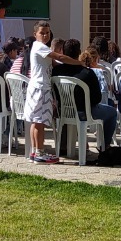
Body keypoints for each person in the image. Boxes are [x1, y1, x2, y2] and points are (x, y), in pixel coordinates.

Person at [23, 21, 80, 164]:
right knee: (39, 122)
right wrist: (79, 63)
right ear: (35, 34)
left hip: (37, 87)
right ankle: (40, 153)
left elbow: (53, 63)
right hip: (40, 88)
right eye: (42, 33)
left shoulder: (41, 48)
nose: (45, 35)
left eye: (47, 32)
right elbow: (59, 57)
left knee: (35, 122)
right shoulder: (40, 46)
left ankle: (34, 152)